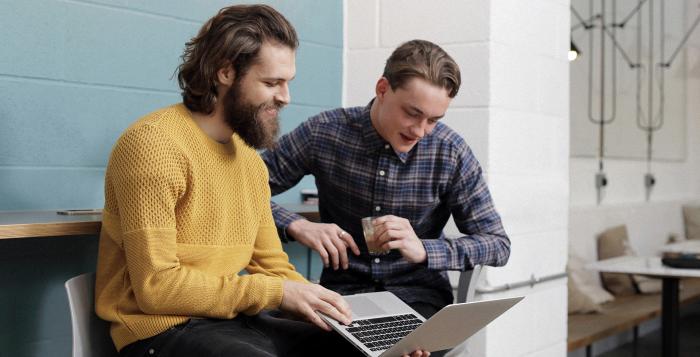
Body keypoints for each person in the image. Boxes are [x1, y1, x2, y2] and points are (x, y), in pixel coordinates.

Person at [263, 39, 511, 355]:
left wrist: (424, 249)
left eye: (434, 120)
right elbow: (241, 189)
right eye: (412, 113)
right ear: (383, 88)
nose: (421, 131)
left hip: (420, 301)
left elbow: (498, 244)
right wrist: (296, 225)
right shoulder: (324, 132)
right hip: (342, 297)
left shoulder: (451, 152)